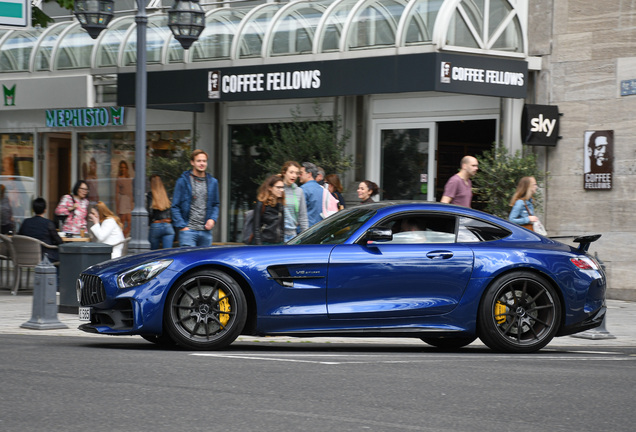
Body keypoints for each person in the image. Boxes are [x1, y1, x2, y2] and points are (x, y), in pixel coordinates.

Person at [171, 149, 220, 247]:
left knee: (205, 261)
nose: (202, 163)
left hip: (205, 232)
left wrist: (212, 219)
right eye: (199, 161)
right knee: (188, 260)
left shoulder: (213, 182)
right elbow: (175, 206)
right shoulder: (183, 181)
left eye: (204, 161)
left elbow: (216, 204)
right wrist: (182, 226)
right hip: (188, 231)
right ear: (192, 162)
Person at [253, 175, 285, 245]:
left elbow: (282, 226)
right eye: (278, 187)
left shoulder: (281, 204)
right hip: (265, 243)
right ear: (270, 188)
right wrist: (259, 245)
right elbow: (256, 228)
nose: (281, 190)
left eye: (282, 187)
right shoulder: (261, 204)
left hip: (279, 243)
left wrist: (282, 241)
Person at [280, 161, 308, 242]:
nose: (294, 176)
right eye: (291, 172)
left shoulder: (299, 191)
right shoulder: (277, 189)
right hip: (278, 236)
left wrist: (305, 237)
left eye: (296, 173)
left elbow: (303, 217)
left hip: (293, 235)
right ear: (284, 173)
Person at [147, 175, 175, 250]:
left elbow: (150, 213)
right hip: (168, 226)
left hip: (156, 225)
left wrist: (149, 223)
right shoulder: (168, 195)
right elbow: (173, 210)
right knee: (167, 254)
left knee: (154, 255)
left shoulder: (150, 195)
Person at [299, 162, 324, 227]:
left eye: (301, 173)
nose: (299, 175)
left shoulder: (302, 190)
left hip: (305, 231)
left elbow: (298, 213)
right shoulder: (323, 190)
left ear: (309, 174)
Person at [116, 160, 134, 238]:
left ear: (127, 168)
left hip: (130, 200)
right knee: (122, 222)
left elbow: (132, 191)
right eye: (121, 167)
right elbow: (116, 194)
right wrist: (117, 207)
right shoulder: (119, 179)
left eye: (124, 167)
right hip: (122, 200)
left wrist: (132, 203)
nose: (123, 169)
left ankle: (124, 236)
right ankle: (121, 239)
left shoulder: (130, 178)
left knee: (130, 223)